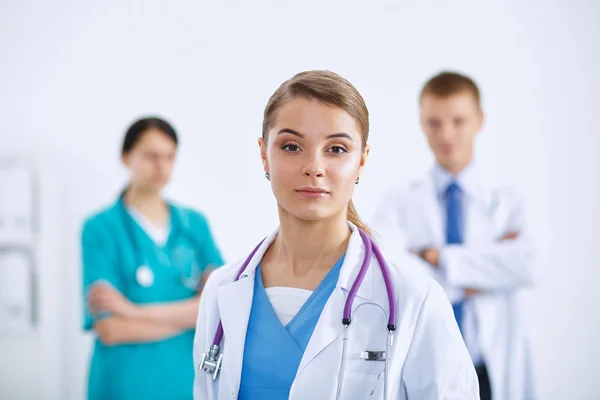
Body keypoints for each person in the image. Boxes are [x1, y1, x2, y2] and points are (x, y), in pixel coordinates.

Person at [192, 70, 478, 400]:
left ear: (362, 161)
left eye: (337, 149)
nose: (314, 166)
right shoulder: (223, 289)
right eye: (291, 146)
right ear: (263, 154)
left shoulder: (413, 297)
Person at [371, 71, 539, 400]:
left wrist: (435, 257)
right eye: (434, 122)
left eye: (458, 121)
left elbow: (528, 264)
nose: (446, 134)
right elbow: (389, 272)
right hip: (428, 366)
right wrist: (486, 270)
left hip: (490, 367)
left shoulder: (511, 199)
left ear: (480, 120)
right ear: (421, 123)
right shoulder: (399, 201)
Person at [81, 117, 225, 400]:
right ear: (126, 158)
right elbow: (111, 329)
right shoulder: (100, 229)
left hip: (185, 382)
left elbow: (220, 307)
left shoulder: (194, 225)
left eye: (170, 156)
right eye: (151, 156)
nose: (162, 166)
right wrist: (192, 314)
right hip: (124, 384)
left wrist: (133, 312)